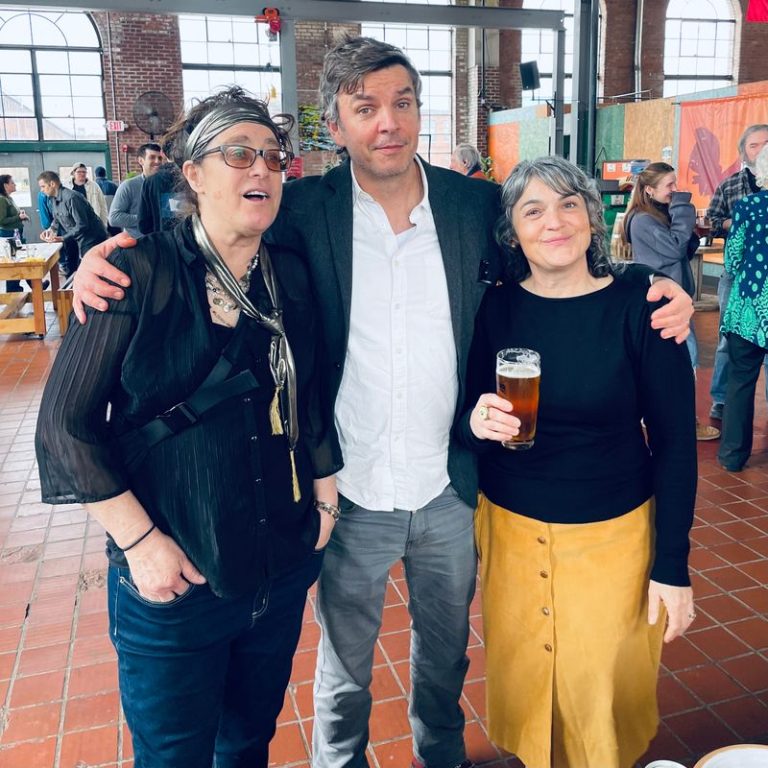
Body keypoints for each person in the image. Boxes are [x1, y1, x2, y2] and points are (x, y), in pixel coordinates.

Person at [70, 37, 695, 768]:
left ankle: (441, 756)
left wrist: (647, 284)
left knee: (446, 655)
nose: (387, 122)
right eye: (364, 108)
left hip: (450, 487)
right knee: (343, 667)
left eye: (402, 103)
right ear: (335, 126)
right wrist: (108, 257)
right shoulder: (301, 210)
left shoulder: (471, 206)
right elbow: (211, 230)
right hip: (349, 489)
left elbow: (556, 250)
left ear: (420, 112)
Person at [35, 87, 341, 768]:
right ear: (193, 174)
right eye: (239, 153)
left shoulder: (287, 274)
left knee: (248, 744)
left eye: (273, 156)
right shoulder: (133, 271)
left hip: (275, 566)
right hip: (174, 577)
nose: (261, 168)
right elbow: (62, 429)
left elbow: (310, 392)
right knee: (174, 756)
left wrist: (324, 499)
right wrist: (141, 545)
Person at [460, 156, 696, 768]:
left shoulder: (642, 305)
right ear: (512, 231)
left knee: (601, 689)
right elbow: (467, 410)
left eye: (569, 204)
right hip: (511, 530)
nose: (555, 221)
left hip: (612, 536)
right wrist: (476, 422)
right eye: (533, 210)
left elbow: (675, 443)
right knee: (524, 675)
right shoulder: (494, 307)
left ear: (592, 217)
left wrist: (673, 565)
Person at [622, 162, 719, 441]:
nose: (675, 190)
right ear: (650, 190)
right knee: (686, 359)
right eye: (670, 185)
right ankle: (684, 422)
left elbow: (680, 249)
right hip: (664, 299)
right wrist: (683, 208)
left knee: (674, 360)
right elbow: (675, 248)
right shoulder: (643, 220)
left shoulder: (654, 216)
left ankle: (662, 415)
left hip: (671, 297)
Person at [707, 124, 768, 420]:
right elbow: (712, 220)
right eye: (754, 145)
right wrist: (741, 224)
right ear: (743, 152)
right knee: (729, 339)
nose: (762, 149)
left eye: (766, 143)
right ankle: (721, 399)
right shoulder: (730, 186)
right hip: (738, 277)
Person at [717, 145, 768, 472]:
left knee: (740, 383)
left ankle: (733, 456)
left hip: (749, 307)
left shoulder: (749, 206)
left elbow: (732, 258)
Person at [38, 171, 107, 277]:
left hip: (91, 238)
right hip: (74, 237)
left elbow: (82, 225)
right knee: (71, 269)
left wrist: (63, 238)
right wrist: (50, 230)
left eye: (43, 186)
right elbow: (56, 219)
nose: (41, 190)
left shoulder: (72, 197)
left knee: (91, 272)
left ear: (52, 184)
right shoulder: (53, 198)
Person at [109, 143, 164, 237]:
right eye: (152, 157)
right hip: (138, 242)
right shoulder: (129, 186)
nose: (157, 161)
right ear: (141, 161)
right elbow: (114, 218)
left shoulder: (166, 184)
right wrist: (144, 219)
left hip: (163, 241)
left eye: (160, 158)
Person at [0, 174, 29, 292]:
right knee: (14, 263)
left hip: (16, 234)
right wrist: (18, 217)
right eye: (12, 182)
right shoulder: (2, 200)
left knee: (19, 260)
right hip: (9, 236)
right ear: (5, 185)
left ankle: (18, 288)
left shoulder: (9, 198)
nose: (15, 184)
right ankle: (14, 290)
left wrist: (21, 216)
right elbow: (1, 220)